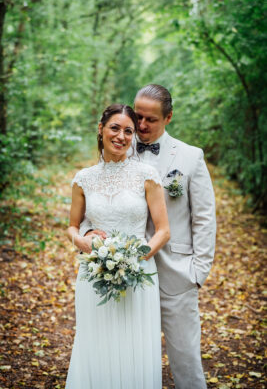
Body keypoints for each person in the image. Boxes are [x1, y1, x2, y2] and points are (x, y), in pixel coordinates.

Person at [81, 85, 216, 389]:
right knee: (127, 355)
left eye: (150, 120)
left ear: (168, 117)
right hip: (123, 274)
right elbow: (99, 197)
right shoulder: (120, 144)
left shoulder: (190, 157)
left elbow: (205, 217)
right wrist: (88, 231)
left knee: (185, 360)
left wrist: (198, 272)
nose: (140, 126)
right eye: (138, 116)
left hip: (176, 275)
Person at [66, 103, 170, 389]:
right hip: (93, 273)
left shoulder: (146, 175)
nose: (121, 136)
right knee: (96, 341)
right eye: (115, 128)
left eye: (128, 131)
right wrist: (81, 240)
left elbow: (163, 231)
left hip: (138, 272)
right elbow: (72, 226)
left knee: (134, 343)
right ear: (101, 130)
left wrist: (136, 258)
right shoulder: (83, 179)